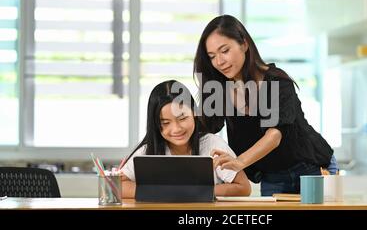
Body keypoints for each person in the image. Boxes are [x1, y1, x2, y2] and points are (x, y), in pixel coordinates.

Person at [193, 14, 338, 196]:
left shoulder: (277, 80)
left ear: (244, 44)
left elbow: (274, 135)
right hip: (273, 177)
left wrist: (239, 161)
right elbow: (204, 128)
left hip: (312, 168)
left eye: (225, 50)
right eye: (212, 56)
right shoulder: (220, 91)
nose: (219, 62)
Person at [120, 80, 251, 198]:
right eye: (165, 123)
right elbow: (118, 185)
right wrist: (162, 192)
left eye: (182, 118)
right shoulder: (149, 150)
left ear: (194, 112)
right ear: (155, 124)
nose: (176, 129)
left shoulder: (213, 144)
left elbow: (243, 188)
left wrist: (195, 191)